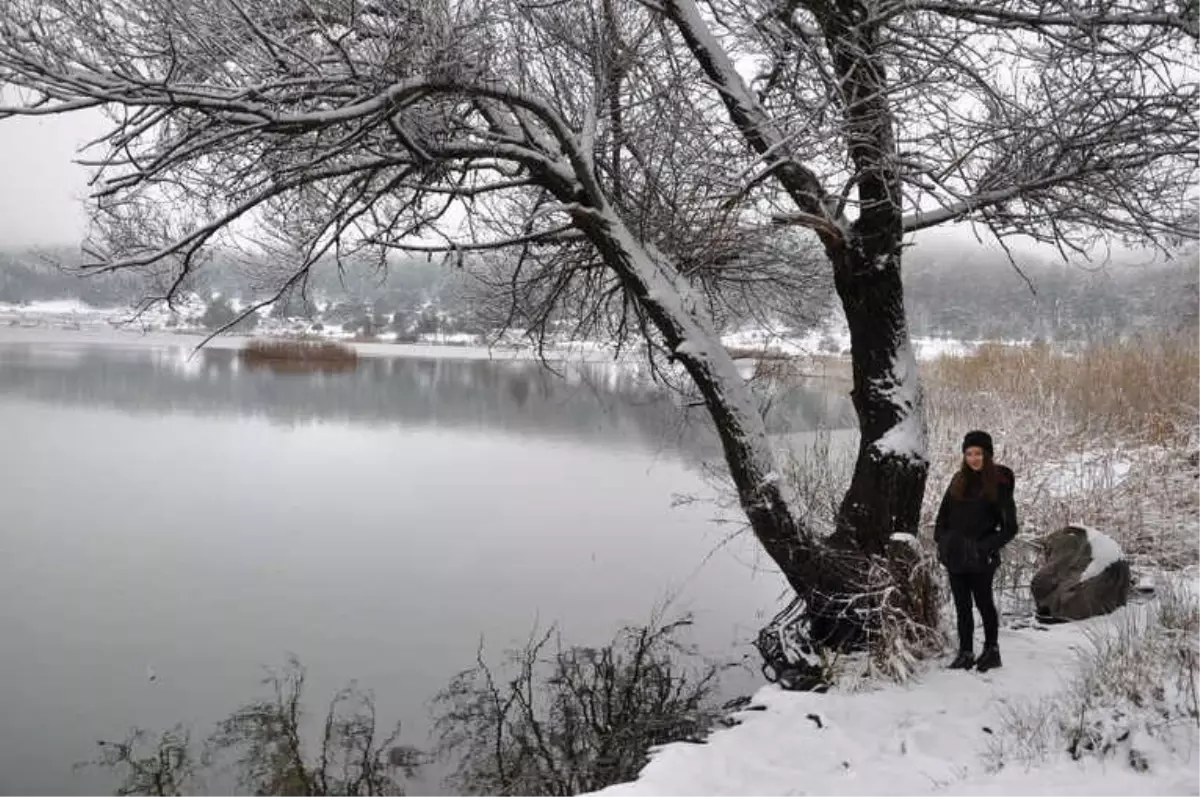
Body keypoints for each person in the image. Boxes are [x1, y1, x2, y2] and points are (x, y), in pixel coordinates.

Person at [934, 430, 1018, 672]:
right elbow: (943, 516)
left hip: (981, 557)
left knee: (983, 603)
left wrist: (985, 547)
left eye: (978, 453)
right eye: (969, 453)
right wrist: (943, 540)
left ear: (987, 454)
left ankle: (992, 651)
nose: (973, 458)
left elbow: (1010, 527)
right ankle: (966, 652)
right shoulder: (957, 480)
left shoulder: (999, 484)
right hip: (956, 555)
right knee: (961, 606)